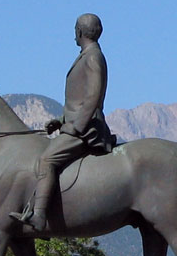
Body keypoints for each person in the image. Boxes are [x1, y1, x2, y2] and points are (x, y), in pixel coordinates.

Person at [10, 13, 115, 230]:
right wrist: (60, 121)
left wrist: (76, 127)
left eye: (75, 29)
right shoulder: (86, 55)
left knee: (47, 159)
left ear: (79, 31)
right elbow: (80, 101)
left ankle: (39, 216)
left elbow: (93, 97)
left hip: (88, 129)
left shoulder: (93, 57)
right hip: (77, 124)